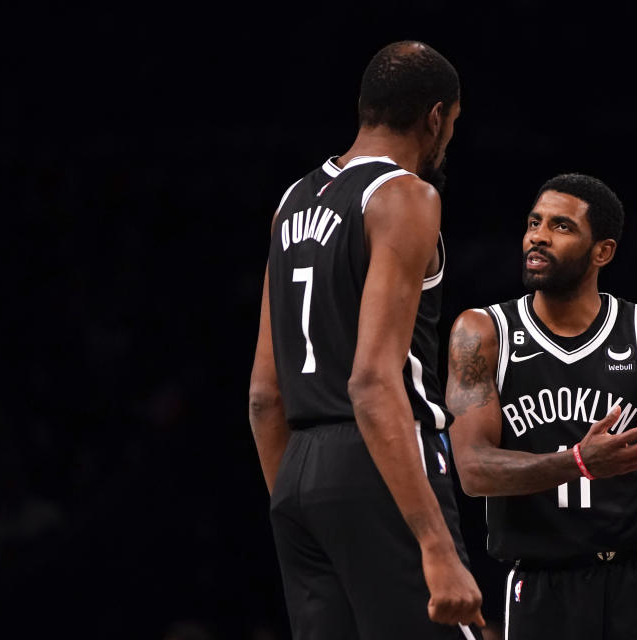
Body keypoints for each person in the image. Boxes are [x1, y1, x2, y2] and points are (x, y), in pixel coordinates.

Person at [445, 173, 637, 639]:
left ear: (602, 252)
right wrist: (577, 462)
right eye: (534, 222)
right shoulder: (483, 333)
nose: (538, 237)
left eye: (561, 227)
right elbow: (472, 470)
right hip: (544, 585)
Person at [248, 41, 483, 639]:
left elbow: (263, 396)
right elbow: (373, 381)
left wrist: (301, 503)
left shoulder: (290, 203)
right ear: (435, 117)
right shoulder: (404, 196)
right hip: (381, 458)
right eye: (451, 125)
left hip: (297, 469)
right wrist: (436, 546)